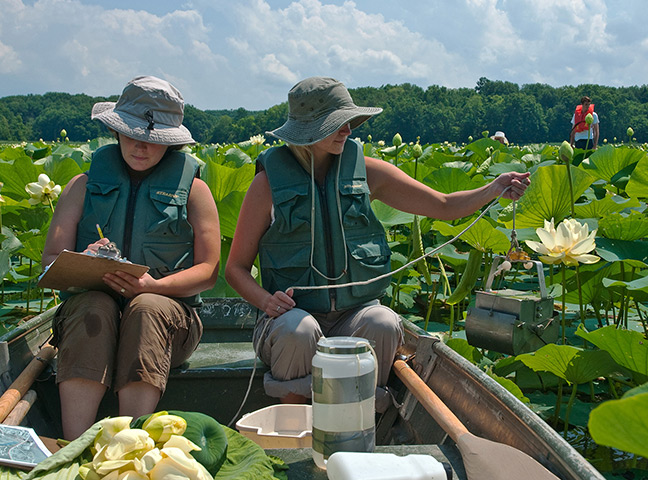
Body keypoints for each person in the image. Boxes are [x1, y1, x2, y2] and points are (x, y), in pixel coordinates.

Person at [224, 77, 529, 410]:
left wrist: (493, 189)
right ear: (308, 130)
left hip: (353, 315)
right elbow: (236, 269)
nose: (348, 131)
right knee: (301, 330)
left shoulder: (368, 172)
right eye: (337, 124)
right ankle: (297, 425)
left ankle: (354, 419)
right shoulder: (267, 184)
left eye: (349, 122)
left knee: (383, 322)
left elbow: (442, 205)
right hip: (290, 320)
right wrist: (267, 302)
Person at [42, 76, 221, 440]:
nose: (141, 146)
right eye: (132, 133)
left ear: (170, 143)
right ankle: (74, 443)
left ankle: (130, 444)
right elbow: (50, 261)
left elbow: (208, 271)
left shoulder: (195, 190)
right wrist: (82, 262)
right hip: (89, 319)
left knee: (146, 307)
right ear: (116, 131)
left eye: (154, 139)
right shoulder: (82, 186)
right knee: (93, 307)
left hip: (168, 321)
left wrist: (153, 285)